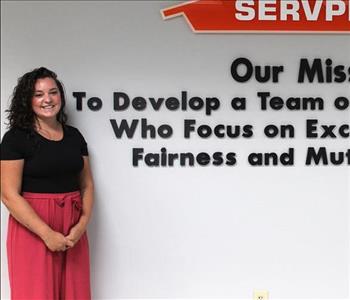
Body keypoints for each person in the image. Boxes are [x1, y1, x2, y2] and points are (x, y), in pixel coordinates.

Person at [0, 67, 94, 299]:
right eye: (39, 94)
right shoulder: (15, 138)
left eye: (53, 92)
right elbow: (8, 194)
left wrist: (81, 225)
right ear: (27, 100)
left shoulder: (74, 136)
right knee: (35, 293)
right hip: (33, 224)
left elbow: (87, 185)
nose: (47, 99)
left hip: (72, 225)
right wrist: (46, 233)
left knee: (76, 293)